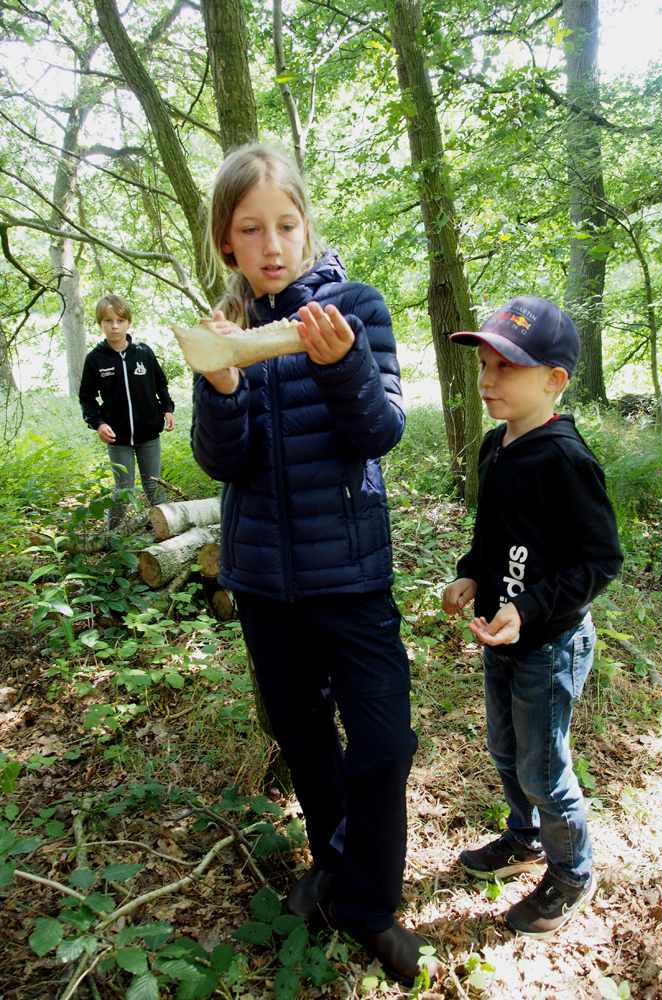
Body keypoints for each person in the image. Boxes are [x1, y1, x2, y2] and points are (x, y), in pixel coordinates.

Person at [190, 143, 437, 986]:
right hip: (262, 581)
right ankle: (331, 859)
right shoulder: (227, 332)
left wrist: (342, 367)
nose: (271, 245)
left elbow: (380, 433)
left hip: (351, 578)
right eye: (250, 229)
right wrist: (221, 389)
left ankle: (367, 903)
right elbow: (223, 463)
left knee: (384, 741)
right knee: (300, 732)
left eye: (285, 225)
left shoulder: (355, 308)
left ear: (305, 225)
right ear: (227, 241)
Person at [443, 296, 623, 939]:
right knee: (505, 749)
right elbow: (492, 532)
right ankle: (523, 839)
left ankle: (572, 872)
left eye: (506, 368)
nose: (488, 380)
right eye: (485, 365)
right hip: (502, 636)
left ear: (553, 381)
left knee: (543, 766)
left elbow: (601, 560)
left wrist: (528, 607)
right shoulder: (497, 446)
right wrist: (471, 571)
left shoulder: (567, 461)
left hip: (549, 643)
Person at [79, 294, 175, 529]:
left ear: (128, 322)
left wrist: (167, 409)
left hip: (149, 434)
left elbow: (160, 383)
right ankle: (112, 540)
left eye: (120, 320)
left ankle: (165, 535)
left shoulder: (143, 352)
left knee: (154, 485)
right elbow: (86, 398)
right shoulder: (95, 359)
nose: (114, 326)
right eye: (108, 321)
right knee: (124, 490)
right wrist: (99, 424)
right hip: (117, 437)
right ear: (100, 324)